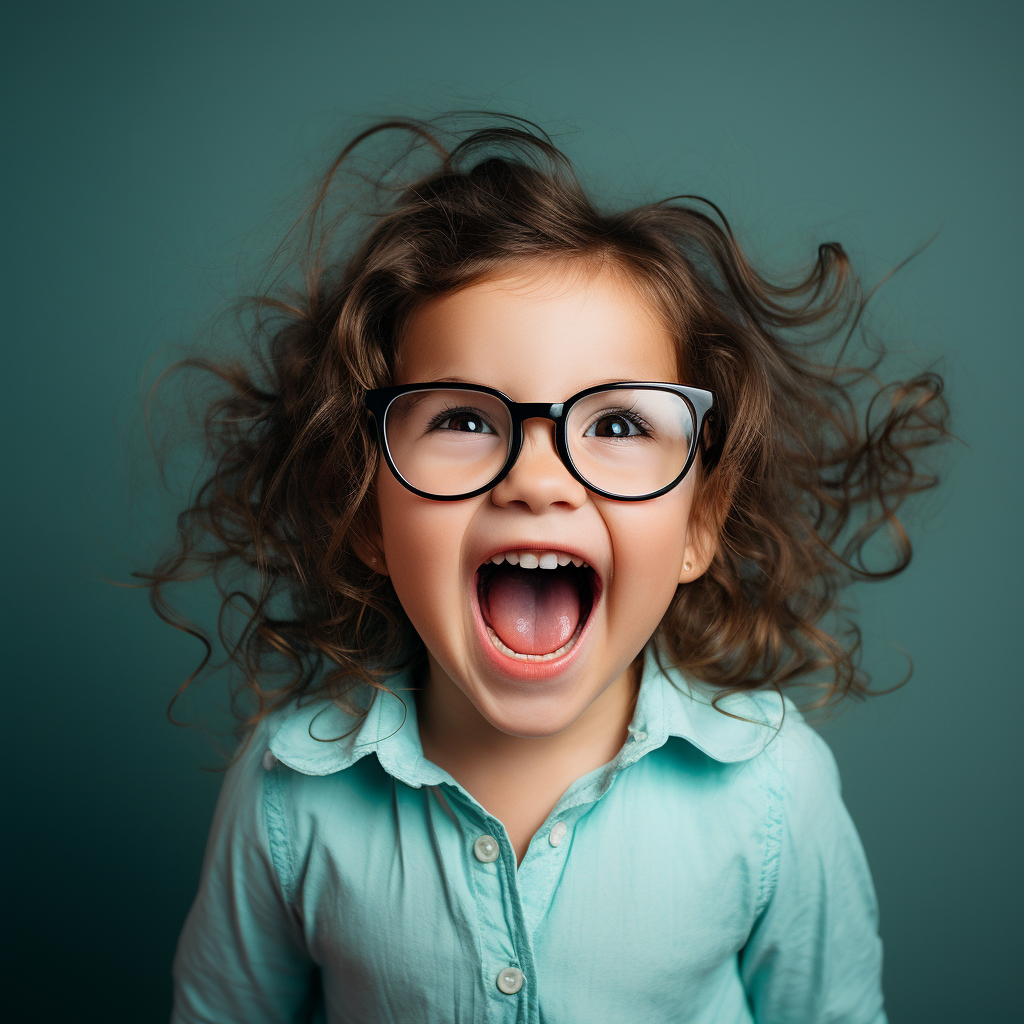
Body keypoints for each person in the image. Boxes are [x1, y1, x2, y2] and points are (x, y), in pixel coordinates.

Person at [152, 115, 948, 1023]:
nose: (538, 480)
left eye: (616, 425)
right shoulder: (288, 793)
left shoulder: (771, 791)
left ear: (700, 523)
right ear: (367, 510)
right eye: (461, 419)